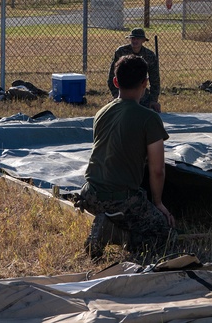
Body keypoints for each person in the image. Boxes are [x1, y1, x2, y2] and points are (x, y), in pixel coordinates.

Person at [76, 55, 175, 260]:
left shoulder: (101, 112)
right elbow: (157, 170)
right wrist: (158, 203)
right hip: (120, 199)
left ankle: (109, 222)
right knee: (164, 235)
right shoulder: (149, 118)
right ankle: (113, 233)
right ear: (145, 83)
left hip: (89, 195)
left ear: (115, 82)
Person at [106, 27, 161, 112]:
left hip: (141, 95)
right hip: (123, 92)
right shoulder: (121, 52)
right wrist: (116, 95)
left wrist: (153, 100)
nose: (135, 41)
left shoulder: (150, 55)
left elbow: (155, 79)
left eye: (138, 39)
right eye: (133, 38)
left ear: (143, 40)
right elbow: (112, 76)